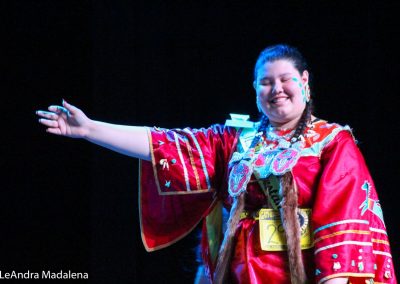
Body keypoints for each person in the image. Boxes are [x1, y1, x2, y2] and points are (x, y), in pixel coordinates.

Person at [36, 44, 397, 284]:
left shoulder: (332, 141)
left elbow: (344, 218)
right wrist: (90, 129)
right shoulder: (235, 141)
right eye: (265, 82)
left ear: (304, 83)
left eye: (286, 79)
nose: (277, 89)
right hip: (239, 273)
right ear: (255, 90)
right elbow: (165, 144)